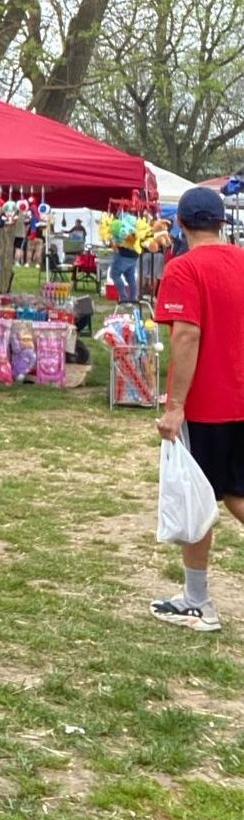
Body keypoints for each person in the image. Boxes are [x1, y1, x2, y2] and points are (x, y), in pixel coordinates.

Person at [151, 188, 244, 634]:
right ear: (222, 223)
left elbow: (186, 335)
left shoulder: (184, 268)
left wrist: (175, 406)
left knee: (197, 497)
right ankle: (195, 599)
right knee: (236, 493)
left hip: (208, 404)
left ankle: (197, 600)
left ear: (180, 224)